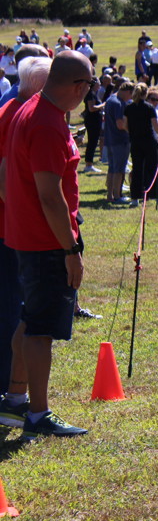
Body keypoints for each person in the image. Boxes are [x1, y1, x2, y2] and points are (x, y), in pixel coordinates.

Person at [0, 51, 91, 438]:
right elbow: (51, 196)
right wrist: (71, 249)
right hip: (46, 241)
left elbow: (6, 171)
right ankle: (38, 414)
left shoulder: (29, 107)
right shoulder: (48, 123)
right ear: (78, 87)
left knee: (28, 319)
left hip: (28, 235)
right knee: (40, 330)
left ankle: (14, 399)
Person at [0, 56, 51, 399]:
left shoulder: (11, 110)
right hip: (10, 230)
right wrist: (25, 221)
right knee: (12, 310)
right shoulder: (18, 115)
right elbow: (4, 177)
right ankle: (9, 388)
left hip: (10, 227)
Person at [124, 83, 158, 206]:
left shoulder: (129, 107)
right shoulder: (149, 107)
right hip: (149, 141)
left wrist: (132, 132)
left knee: (137, 169)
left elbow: (125, 125)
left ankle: (135, 198)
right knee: (153, 169)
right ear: (145, 94)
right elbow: (155, 124)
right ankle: (157, 196)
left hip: (135, 142)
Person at [103, 80, 132, 204]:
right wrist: (131, 131)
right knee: (119, 170)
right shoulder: (119, 103)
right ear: (128, 92)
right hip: (120, 140)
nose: (130, 99)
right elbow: (120, 124)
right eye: (131, 95)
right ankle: (117, 196)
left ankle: (110, 195)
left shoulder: (110, 100)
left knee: (112, 169)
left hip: (110, 139)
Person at [81, 77, 104, 174]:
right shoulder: (90, 94)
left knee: (93, 142)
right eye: (98, 82)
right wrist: (103, 105)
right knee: (92, 142)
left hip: (95, 120)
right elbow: (91, 108)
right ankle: (88, 164)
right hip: (92, 121)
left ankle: (89, 164)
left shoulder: (94, 93)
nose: (100, 84)